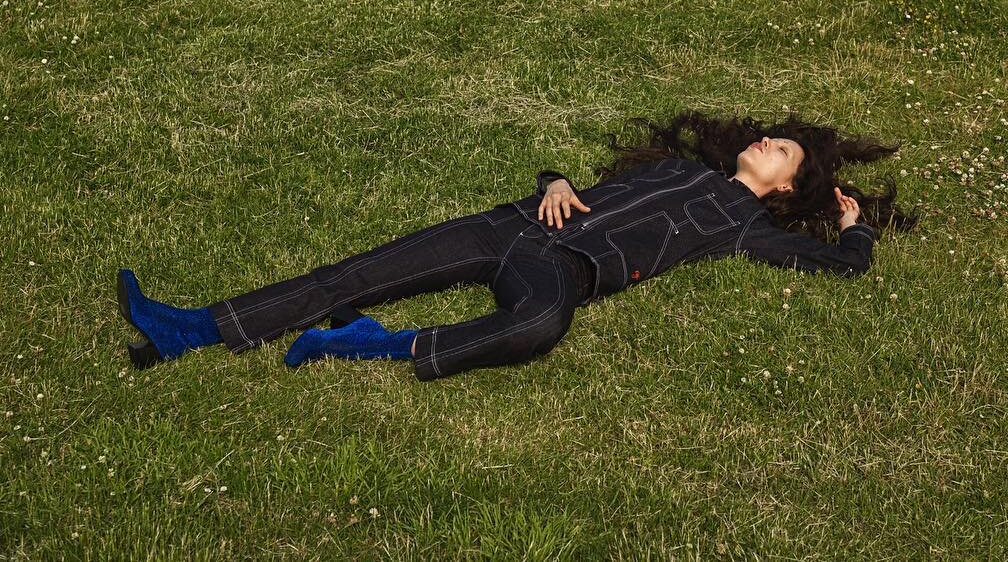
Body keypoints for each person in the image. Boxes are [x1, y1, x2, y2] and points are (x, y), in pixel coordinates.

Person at [117, 110, 919, 380]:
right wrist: (556, 181)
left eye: (783, 153)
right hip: (520, 224)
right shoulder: (678, 165)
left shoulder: (747, 229)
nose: (769, 142)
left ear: (786, 189)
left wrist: (854, 231)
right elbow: (575, 179)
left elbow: (841, 268)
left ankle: (367, 344)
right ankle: (192, 328)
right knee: (363, 268)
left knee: (538, 326)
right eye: (772, 137)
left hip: (562, 266)